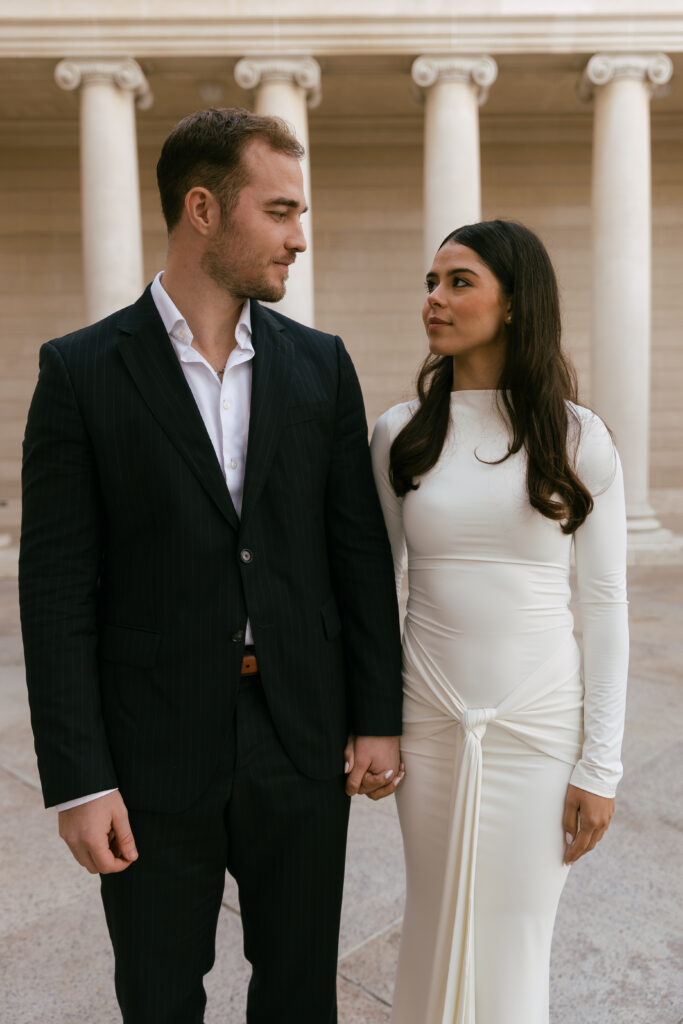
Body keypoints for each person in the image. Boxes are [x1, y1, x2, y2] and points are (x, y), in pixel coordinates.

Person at [19, 107, 404, 1024]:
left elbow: (355, 554)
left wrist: (375, 716)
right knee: (156, 994)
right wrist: (81, 779)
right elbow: (57, 591)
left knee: (301, 990)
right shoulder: (79, 373)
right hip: (150, 745)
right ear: (202, 208)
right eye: (278, 211)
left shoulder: (322, 367)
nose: (298, 238)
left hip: (299, 738)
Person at [370, 220, 629, 1024]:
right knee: (431, 922)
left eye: (458, 282)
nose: (433, 300)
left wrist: (601, 764)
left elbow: (605, 604)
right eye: (430, 282)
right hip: (429, 720)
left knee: (516, 937)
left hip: (539, 728)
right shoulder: (398, 433)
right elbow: (376, 593)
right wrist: (370, 723)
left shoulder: (578, 437)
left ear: (514, 303)